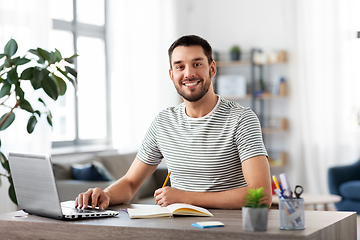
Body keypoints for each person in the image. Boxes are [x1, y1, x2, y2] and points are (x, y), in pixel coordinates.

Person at [75, 35, 272, 210]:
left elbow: (261, 195)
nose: (188, 74)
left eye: (197, 64)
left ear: (212, 69)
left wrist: (187, 198)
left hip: (229, 229)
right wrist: (106, 195)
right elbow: (130, 182)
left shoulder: (242, 119)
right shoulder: (163, 122)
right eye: (180, 66)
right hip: (178, 228)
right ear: (172, 75)